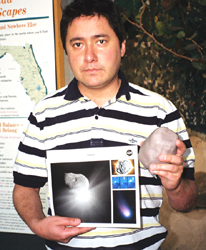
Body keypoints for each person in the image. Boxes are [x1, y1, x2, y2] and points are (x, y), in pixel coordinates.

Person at [13, 0, 198, 249]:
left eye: (101, 41)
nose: (89, 56)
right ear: (67, 50)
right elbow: (25, 187)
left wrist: (175, 185)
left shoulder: (161, 111)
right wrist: (36, 223)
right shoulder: (44, 113)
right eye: (77, 44)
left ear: (122, 46)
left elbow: (186, 201)